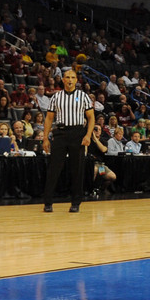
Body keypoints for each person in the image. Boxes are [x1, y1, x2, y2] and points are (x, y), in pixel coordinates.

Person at [42, 69, 94, 213]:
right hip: (60, 133)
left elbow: (91, 117)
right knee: (54, 168)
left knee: (77, 169)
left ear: (76, 80)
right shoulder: (56, 97)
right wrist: (45, 138)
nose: (70, 80)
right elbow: (49, 118)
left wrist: (88, 135)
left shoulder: (83, 96)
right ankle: (48, 202)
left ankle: (76, 202)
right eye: (67, 77)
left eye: (72, 77)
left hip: (77, 133)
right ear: (63, 80)